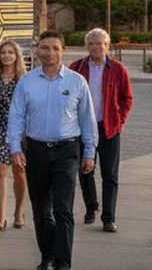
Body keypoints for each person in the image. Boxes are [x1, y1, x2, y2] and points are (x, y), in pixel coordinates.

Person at [8, 31, 98, 270]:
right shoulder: (26, 81)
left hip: (67, 151)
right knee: (41, 209)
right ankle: (47, 256)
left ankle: (63, 262)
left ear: (63, 50)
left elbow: (87, 119)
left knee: (63, 208)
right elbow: (16, 116)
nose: (49, 53)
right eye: (45, 48)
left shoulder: (77, 81)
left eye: (55, 48)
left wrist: (89, 152)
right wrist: (15, 147)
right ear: (37, 50)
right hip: (36, 150)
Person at [69, 27, 133, 233]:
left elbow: (127, 98)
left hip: (108, 128)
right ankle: (91, 207)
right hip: (82, 128)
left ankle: (109, 218)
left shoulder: (118, 69)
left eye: (100, 43)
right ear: (87, 46)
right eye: (92, 43)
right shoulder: (76, 68)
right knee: (85, 170)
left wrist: (120, 121)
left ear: (107, 45)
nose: (96, 47)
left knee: (110, 175)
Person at [0, 38, 27, 232]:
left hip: (20, 131)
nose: (7, 56)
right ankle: (1, 217)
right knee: (0, 172)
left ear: (16, 56)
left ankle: (19, 211)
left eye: (10, 52)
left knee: (19, 172)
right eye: (3, 52)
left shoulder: (25, 78)